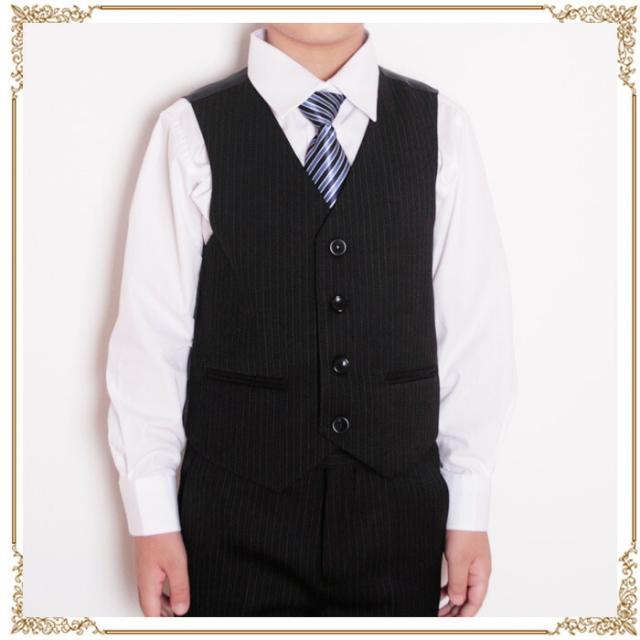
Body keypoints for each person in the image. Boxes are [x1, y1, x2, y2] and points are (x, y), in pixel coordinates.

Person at [106, 22, 517, 618]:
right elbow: (151, 334)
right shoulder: (190, 129)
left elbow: (474, 330)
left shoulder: (441, 127)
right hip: (234, 517)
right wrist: (151, 516)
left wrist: (470, 507)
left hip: (400, 518)